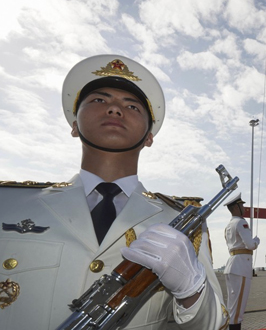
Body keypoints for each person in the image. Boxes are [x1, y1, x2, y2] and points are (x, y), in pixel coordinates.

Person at [0, 55, 227, 329]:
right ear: (74, 125)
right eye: (99, 100)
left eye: (132, 106)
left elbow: (213, 324)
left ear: (149, 137)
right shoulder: (8, 203)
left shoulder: (181, 221)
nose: (115, 110)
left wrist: (192, 292)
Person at [223, 193, 260, 330]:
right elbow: (250, 245)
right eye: (242, 205)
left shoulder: (229, 225)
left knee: (232, 308)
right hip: (241, 267)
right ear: (236, 207)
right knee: (237, 311)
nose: (244, 208)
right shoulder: (241, 222)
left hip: (232, 265)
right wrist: (256, 241)